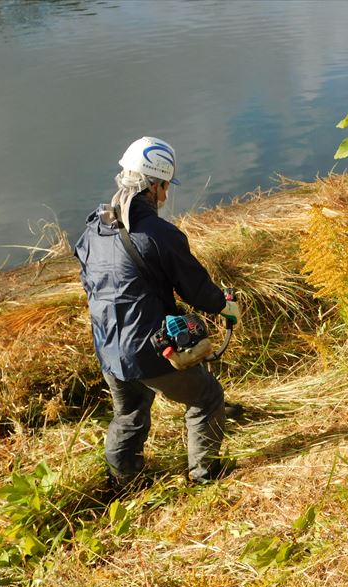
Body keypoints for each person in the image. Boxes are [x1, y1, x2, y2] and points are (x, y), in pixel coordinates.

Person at [73, 136, 240, 490]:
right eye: (165, 187)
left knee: (130, 411)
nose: (166, 196)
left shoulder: (94, 227)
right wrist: (225, 305)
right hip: (149, 349)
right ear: (155, 184)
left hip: (107, 346)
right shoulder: (160, 234)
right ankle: (205, 473)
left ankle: (122, 481)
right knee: (207, 397)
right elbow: (196, 290)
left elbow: (91, 277)